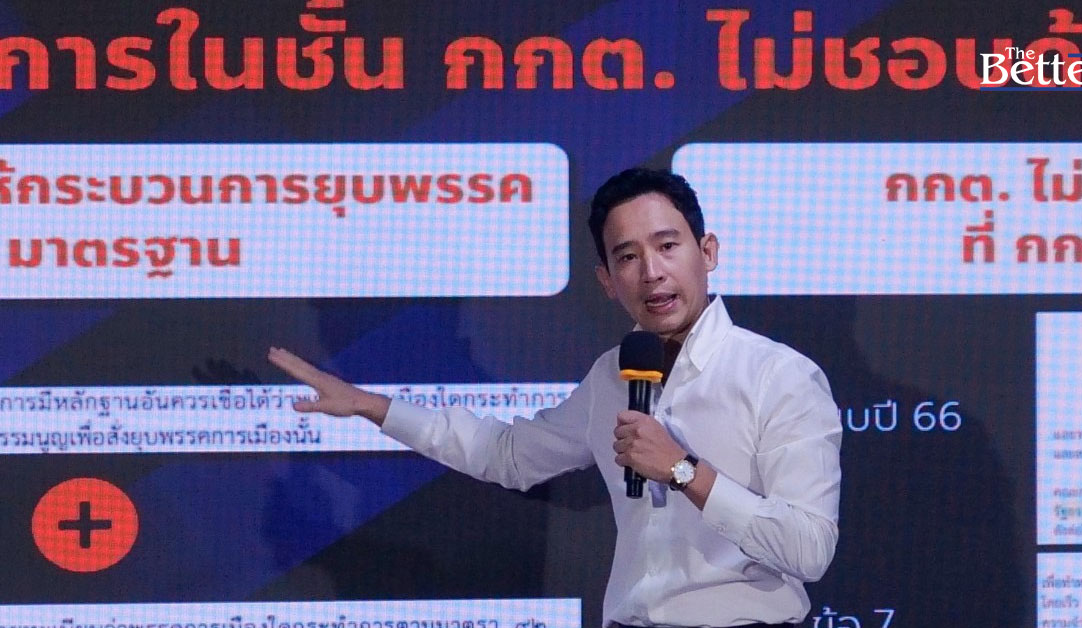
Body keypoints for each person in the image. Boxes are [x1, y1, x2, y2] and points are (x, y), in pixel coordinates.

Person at [268, 168, 842, 628]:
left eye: (668, 246)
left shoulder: (779, 376)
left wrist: (683, 470)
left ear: (707, 252)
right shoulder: (612, 376)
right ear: (607, 281)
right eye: (627, 257)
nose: (651, 272)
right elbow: (507, 455)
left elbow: (809, 550)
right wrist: (372, 406)